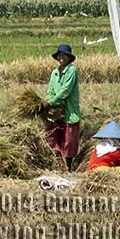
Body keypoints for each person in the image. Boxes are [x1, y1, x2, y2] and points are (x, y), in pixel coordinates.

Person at [44, 43, 81, 171]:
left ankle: (68, 167)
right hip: (56, 113)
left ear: (69, 57)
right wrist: (47, 102)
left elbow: (65, 91)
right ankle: (58, 167)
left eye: (64, 55)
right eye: (60, 55)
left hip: (69, 113)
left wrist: (50, 103)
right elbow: (50, 91)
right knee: (54, 140)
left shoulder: (72, 71)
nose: (61, 57)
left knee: (68, 142)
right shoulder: (55, 73)